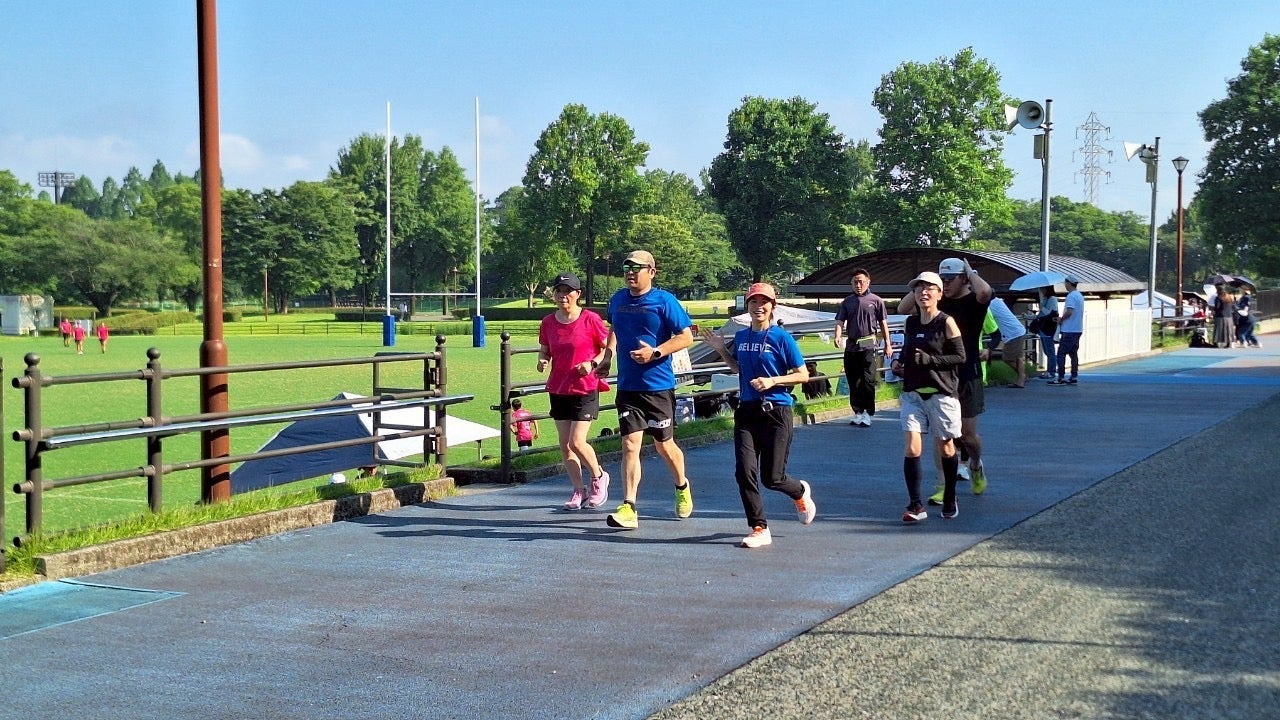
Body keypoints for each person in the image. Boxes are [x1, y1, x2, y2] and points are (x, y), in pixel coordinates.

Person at [701, 282, 816, 548]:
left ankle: (799, 492)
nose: (758, 307)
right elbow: (738, 368)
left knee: (772, 478)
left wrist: (773, 381)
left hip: (777, 412)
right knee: (744, 472)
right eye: (753, 302)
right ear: (748, 306)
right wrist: (721, 349)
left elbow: (803, 375)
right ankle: (759, 527)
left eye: (764, 302)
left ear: (772, 306)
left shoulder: (781, 338)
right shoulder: (742, 337)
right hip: (747, 412)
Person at [601, 250, 695, 530]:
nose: (630, 272)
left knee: (663, 445)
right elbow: (614, 328)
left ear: (651, 272)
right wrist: (607, 356)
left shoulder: (664, 301)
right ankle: (629, 507)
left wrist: (655, 352)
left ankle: (682, 486)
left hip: (657, 387)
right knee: (630, 445)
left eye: (636, 267)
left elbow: (686, 336)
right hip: (628, 386)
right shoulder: (618, 300)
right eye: (626, 267)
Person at [899, 257, 993, 501]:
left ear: (963, 278)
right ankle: (942, 484)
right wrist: (927, 280)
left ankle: (975, 464)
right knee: (941, 434)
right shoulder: (938, 299)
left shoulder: (973, 301)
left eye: (951, 279)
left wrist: (970, 271)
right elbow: (902, 308)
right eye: (944, 280)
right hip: (938, 375)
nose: (947, 283)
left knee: (967, 435)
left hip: (967, 372)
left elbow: (985, 291)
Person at [890, 271, 966, 523]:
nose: (923, 292)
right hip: (913, 393)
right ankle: (915, 505)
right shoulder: (911, 323)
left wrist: (931, 360)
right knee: (912, 447)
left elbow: (960, 357)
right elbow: (908, 351)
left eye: (929, 288)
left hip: (941, 394)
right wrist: (899, 362)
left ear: (939, 294)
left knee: (946, 446)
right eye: (919, 288)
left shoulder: (946, 322)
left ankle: (950, 496)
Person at [536, 271, 611, 511]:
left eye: (568, 292)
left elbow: (608, 348)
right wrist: (542, 360)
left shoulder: (590, 319)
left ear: (578, 294)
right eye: (559, 291)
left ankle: (599, 476)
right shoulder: (548, 322)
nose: (563, 296)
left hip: (585, 387)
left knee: (577, 441)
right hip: (559, 387)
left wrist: (592, 363)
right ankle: (579, 489)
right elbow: (545, 349)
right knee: (565, 445)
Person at [833, 268, 894, 427]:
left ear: (868, 282)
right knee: (853, 379)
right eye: (855, 282)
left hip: (868, 343)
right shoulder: (847, 302)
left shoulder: (876, 300)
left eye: (861, 282)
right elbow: (840, 321)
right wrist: (837, 335)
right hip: (852, 344)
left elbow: (883, 323)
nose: (858, 285)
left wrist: (887, 344)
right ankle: (858, 411)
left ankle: (868, 412)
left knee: (868, 379)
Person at [1049, 275, 1085, 384]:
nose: (1065, 285)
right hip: (1077, 329)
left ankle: (1061, 377)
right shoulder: (1079, 295)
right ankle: (1074, 376)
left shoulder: (1071, 296)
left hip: (1069, 329)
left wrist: (1061, 319)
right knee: (1073, 353)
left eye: (1065, 283)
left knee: (1061, 353)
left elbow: (1069, 311)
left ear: (1069, 283)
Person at [988, 298, 1028, 388]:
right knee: (1015, 357)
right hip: (1014, 332)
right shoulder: (996, 301)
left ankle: (1022, 377)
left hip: (1013, 333)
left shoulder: (990, 304)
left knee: (1011, 358)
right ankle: (1022, 377)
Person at [1034, 286, 1060, 380]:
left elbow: (1050, 313)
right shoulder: (1046, 299)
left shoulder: (1052, 299)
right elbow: (1041, 315)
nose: (1041, 291)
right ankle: (1052, 369)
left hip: (1048, 328)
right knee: (1047, 351)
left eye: (1042, 289)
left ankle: (1052, 371)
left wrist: (1042, 308)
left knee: (1050, 351)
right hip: (1043, 328)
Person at [1211, 284, 1235, 349]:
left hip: (1220, 316)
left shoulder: (1218, 298)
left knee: (1219, 330)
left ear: (1218, 290)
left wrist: (1213, 309)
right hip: (1229, 316)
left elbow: (1217, 307)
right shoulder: (1229, 297)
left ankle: (1216, 343)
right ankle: (1228, 343)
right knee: (1228, 330)